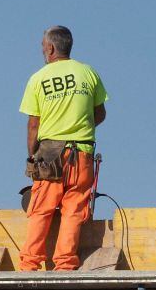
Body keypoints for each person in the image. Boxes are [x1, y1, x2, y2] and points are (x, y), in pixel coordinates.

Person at [18, 25, 108, 271]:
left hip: (49, 153)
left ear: (50, 48)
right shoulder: (87, 73)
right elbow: (99, 113)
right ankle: (65, 263)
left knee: (41, 209)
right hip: (82, 154)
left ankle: (30, 263)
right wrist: (77, 125)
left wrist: (31, 155)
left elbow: (33, 124)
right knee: (73, 210)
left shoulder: (38, 78)